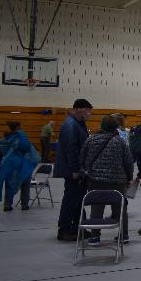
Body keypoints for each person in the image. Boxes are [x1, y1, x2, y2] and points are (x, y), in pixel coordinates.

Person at [80, 115, 134, 245]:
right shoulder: (120, 141)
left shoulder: (90, 140)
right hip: (117, 181)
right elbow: (128, 161)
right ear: (115, 126)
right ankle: (123, 235)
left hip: (95, 180)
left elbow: (82, 159)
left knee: (96, 209)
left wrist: (88, 171)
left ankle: (95, 237)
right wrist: (129, 178)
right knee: (120, 208)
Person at [56, 99, 92, 242]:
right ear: (79, 109)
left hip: (79, 170)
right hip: (73, 171)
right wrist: (75, 170)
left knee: (78, 199)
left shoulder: (78, 124)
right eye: (88, 111)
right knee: (71, 200)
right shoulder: (70, 125)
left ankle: (78, 227)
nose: (89, 114)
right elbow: (71, 150)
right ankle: (64, 229)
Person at [0, 122, 39, 211]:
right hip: (23, 164)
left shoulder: (7, 138)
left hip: (10, 164)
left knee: (9, 184)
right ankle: (24, 205)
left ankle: (7, 205)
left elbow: (1, 147)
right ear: (18, 127)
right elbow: (26, 146)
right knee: (25, 184)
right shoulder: (21, 136)